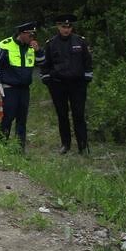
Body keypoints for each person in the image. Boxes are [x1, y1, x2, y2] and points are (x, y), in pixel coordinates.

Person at [40, 14, 93, 154]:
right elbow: (46, 64)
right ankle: (65, 144)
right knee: (62, 115)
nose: (66, 29)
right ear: (58, 26)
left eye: (69, 27)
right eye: (63, 26)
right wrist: (46, 78)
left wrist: (87, 77)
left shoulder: (80, 42)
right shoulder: (51, 43)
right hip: (58, 84)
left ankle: (83, 145)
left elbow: (88, 61)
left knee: (79, 115)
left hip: (77, 84)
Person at [0, 22, 46, 148]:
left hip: (25, 89)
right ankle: (2, 144)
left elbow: (42, 64)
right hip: (9, 88)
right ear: (22, 34)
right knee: (8, 117)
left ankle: (19, 148)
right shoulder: (5, 45)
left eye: (34, 34)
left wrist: (39, 51)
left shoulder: (32, 47)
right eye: (30, 34)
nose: (32, 37)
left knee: (22, 119)